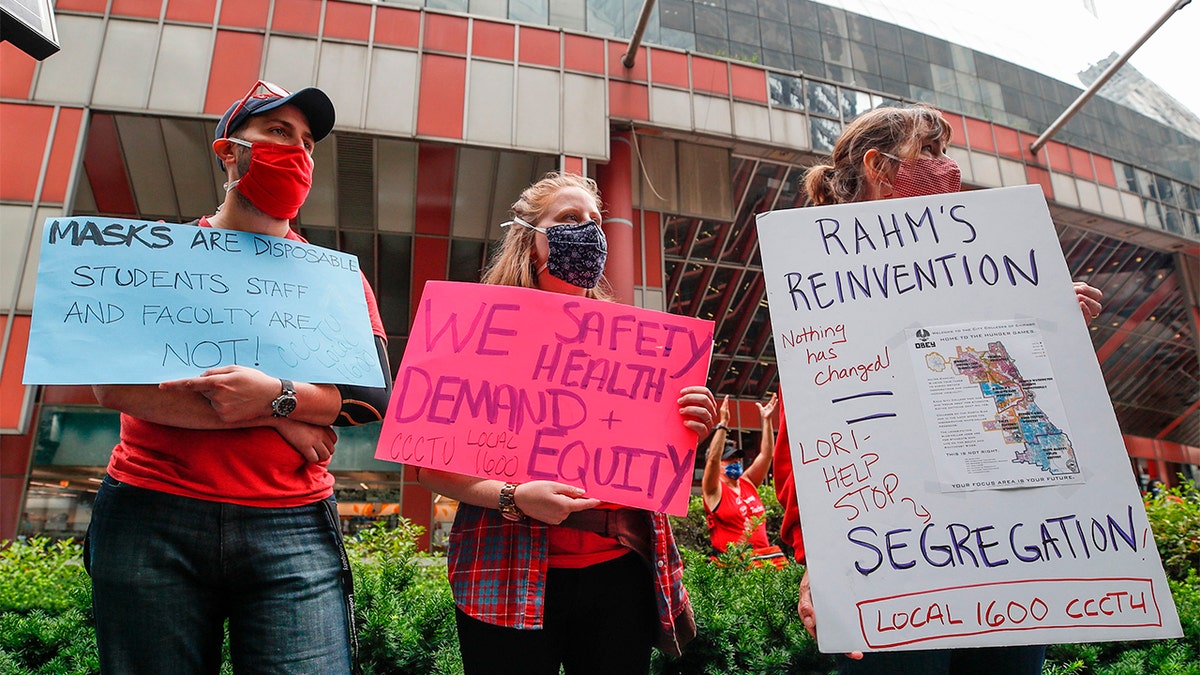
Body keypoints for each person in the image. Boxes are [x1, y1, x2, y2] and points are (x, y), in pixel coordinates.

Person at [770, 103, 1105, 675]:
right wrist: (822, 560)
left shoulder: (985, 281)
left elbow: (1022, 417)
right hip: (896, 566)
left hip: (1004, 562)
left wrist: (1046, 338)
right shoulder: (823, 296)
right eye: (929, 151)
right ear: (880, 166)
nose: (948, 166)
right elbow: (804, 452)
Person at [87, 81, 392, 674]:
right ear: (228, 151)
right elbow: (116, 386)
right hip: (151, 512)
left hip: (293, 524)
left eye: (307, 142)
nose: (298, 151)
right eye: (278, 132)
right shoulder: (159, 256)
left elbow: (369, 395)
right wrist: (293, 416)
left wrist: (272, 399)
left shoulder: (336, 278)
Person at [417, 172, 718, 675]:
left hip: (620, 574)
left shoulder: (632, 344)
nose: (589, 231)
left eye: (595, 221)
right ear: (529, 238)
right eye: (569, 220)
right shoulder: (473, 328)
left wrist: (689, 424)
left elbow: (653, 452)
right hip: (505, 575)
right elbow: (427, 466)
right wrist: (515, 497)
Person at [702, 392, 787, 568]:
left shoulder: (747, 482)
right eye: (729, 460)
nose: (735, 463)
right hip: (735, 566)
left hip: (765, 563)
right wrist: (723, 425)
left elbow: (766, 455)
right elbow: (712, 460)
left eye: (737, 459)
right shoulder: (713, 490)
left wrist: (767, 420)